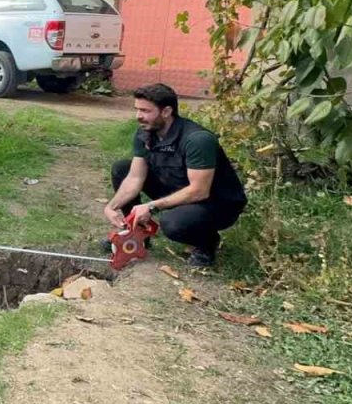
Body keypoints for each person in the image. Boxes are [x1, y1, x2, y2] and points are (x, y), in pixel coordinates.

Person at [103, 83, 247, 267]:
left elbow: (199, 191)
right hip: (179, 187)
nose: (138, 116)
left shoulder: (197, 140)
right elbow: (134, 177)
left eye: (145, 111)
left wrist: (151, 206)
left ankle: (207, 243)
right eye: (137, 109)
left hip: (216, 203)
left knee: (171, 223)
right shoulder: (145, 132)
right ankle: (137, 236)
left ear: (166, 111)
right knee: (122, 169)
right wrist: (112, 206)